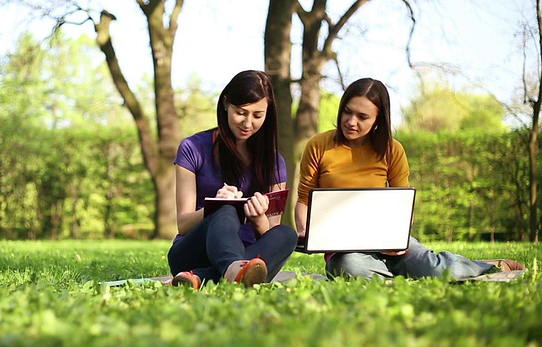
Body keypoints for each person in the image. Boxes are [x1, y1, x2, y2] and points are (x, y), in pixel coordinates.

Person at [295, 77, 526, 281]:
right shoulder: (319, 145)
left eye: (362, 116)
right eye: (347, 111)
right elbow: (304, 199)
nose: (351, 121)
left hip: (384, 238)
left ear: (377, 120)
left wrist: (397, 239)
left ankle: (489, 265)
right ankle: (410, 271)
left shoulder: (391, 149)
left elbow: (403, 203)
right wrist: (305, 228)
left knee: (437, 272)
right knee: (348, 267)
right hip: (343, 247)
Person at [167, 70, 298, 289]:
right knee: (226, 211)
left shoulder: (275, 162)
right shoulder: (193, 148)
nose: (248, 123)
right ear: (226, 103)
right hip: (192, 252)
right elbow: (184, 224)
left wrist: (258, 219)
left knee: (286, 233)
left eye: (258, 116)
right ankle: (232, 269)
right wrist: (215, 207)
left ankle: (199, 278)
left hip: (250, 255)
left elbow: (269, 232)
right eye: (241, 112)